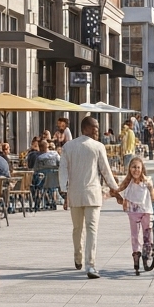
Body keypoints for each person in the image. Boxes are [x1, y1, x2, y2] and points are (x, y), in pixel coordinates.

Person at [60, 115, 119, 278]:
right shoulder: (98, 146)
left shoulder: (68, 147)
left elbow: (63, 170)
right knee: (89, 229)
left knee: (78, 228)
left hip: (75, 194)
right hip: (92, 194)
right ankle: (88, 264)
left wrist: (64, 190)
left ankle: (81, 259)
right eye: (95, 127)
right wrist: (116, 189)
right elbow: (105, 171)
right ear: (85, 128)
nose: (97, 130)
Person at [111, 157, 154, 275]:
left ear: (142, 169)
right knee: (135, 235)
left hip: (146, 210)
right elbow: (117, 190)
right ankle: (136, 255)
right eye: (133, 167)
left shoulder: (147, 181)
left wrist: (153, 192)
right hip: (133, 211)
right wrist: (117, 197)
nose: (136, 170)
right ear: (129, 169)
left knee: (147, 234)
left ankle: (146, 255)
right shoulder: (128, 182)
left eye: (138, 167)